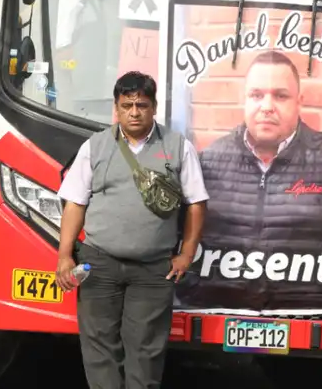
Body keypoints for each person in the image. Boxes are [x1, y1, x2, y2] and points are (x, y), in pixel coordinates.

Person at [179, 50, 322, 312]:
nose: (267, 106)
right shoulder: (208, 163)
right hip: (218, 317)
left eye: (280, 96)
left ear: (298, 101)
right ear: (244, 100)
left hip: (305, 320)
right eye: (256, 95)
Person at [55, 71, 209, 389]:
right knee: (99, 350)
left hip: (153, 270)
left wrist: (187, 254)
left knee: (146, 354)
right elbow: (75, 203)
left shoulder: (178, 147)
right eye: (127, 105)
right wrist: (64, 254)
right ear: (116, 108)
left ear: (154, 108)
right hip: (100, 264)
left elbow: (196, 203)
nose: (134, 112)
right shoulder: (94, 147)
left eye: (141, 104)